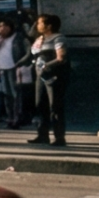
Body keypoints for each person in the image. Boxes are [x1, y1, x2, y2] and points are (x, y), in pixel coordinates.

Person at [30, 13, 70, 147]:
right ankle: (42, 135)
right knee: (40, 104)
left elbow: (61, 57)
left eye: (40, 23)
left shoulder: (58, 38)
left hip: (53, 76)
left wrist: (48, 65)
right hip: (40, 76)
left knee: (55, 106)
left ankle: (59, 137)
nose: (38, 25)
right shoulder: (40, 38)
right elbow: (31, 35)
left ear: (49, 26)